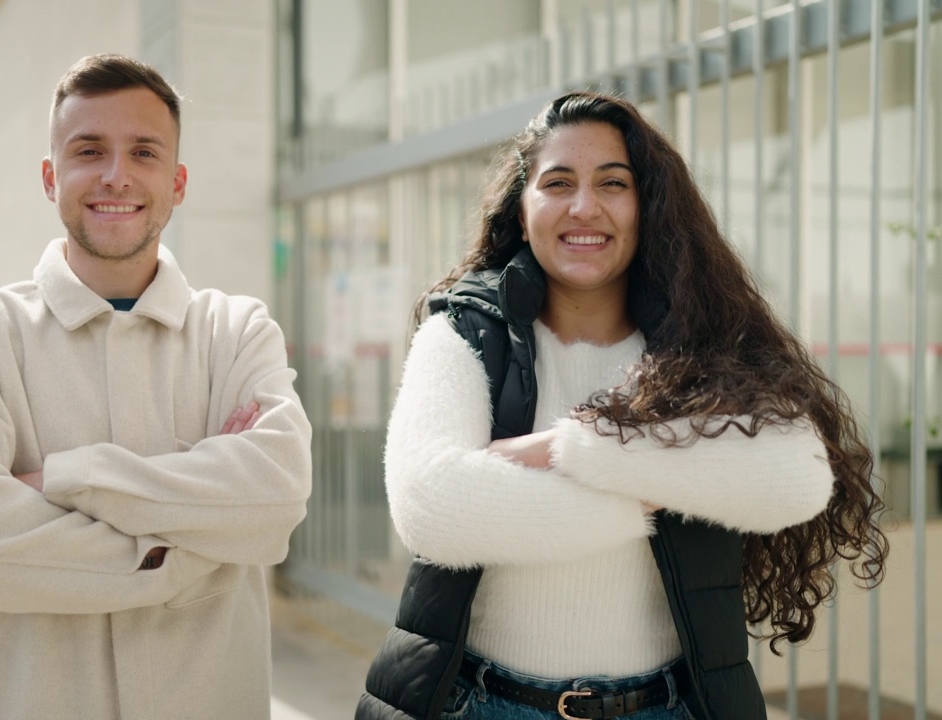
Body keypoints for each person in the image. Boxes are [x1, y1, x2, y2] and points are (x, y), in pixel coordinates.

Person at [357, 91, 887, 720]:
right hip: (482, 704)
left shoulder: (706, 345)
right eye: (558, 183)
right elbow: (432, 508)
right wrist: (669, 482)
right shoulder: (466, 333)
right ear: (521, 211)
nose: (585, 207)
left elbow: (796, 480)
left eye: (614, 183)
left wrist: (569, 447)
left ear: (648, 206)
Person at [0, 54, 312, 720]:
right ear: (50, 176)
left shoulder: (236, 332)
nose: (116, 175)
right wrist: (181, 551)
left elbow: (276, 497)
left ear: (177, 183)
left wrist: (70, 478)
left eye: (144, 152)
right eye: (88, 150)